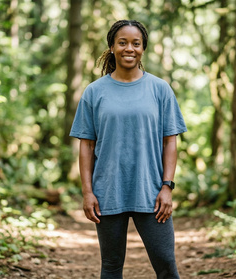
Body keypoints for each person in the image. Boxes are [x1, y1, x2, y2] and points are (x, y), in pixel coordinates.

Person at [70, 19, 187, 279]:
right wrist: (88, 193)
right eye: (122, 42)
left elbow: (170, 140)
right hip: (108, 193)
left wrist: (167, 186)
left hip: (152, 193)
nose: (129, 48)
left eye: (136, 43)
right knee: (111, 267)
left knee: (166, 264)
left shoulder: (160, 89)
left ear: (143, 48)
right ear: (112, 47)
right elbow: (86, 146)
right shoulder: (94, 92)